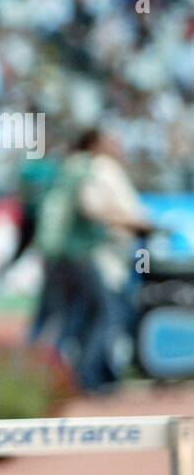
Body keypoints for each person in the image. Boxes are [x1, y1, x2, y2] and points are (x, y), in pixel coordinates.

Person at [33, 128, 150, 391]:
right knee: (103, 313)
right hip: (78, 252)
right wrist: (131, 222)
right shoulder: (87, 168)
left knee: (61, 317)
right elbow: (91, 208)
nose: (117, 145)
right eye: (110, 140)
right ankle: (87, 378)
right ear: (94, 144)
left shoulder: (62, 169)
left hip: (55, 253)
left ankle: (43, 377)